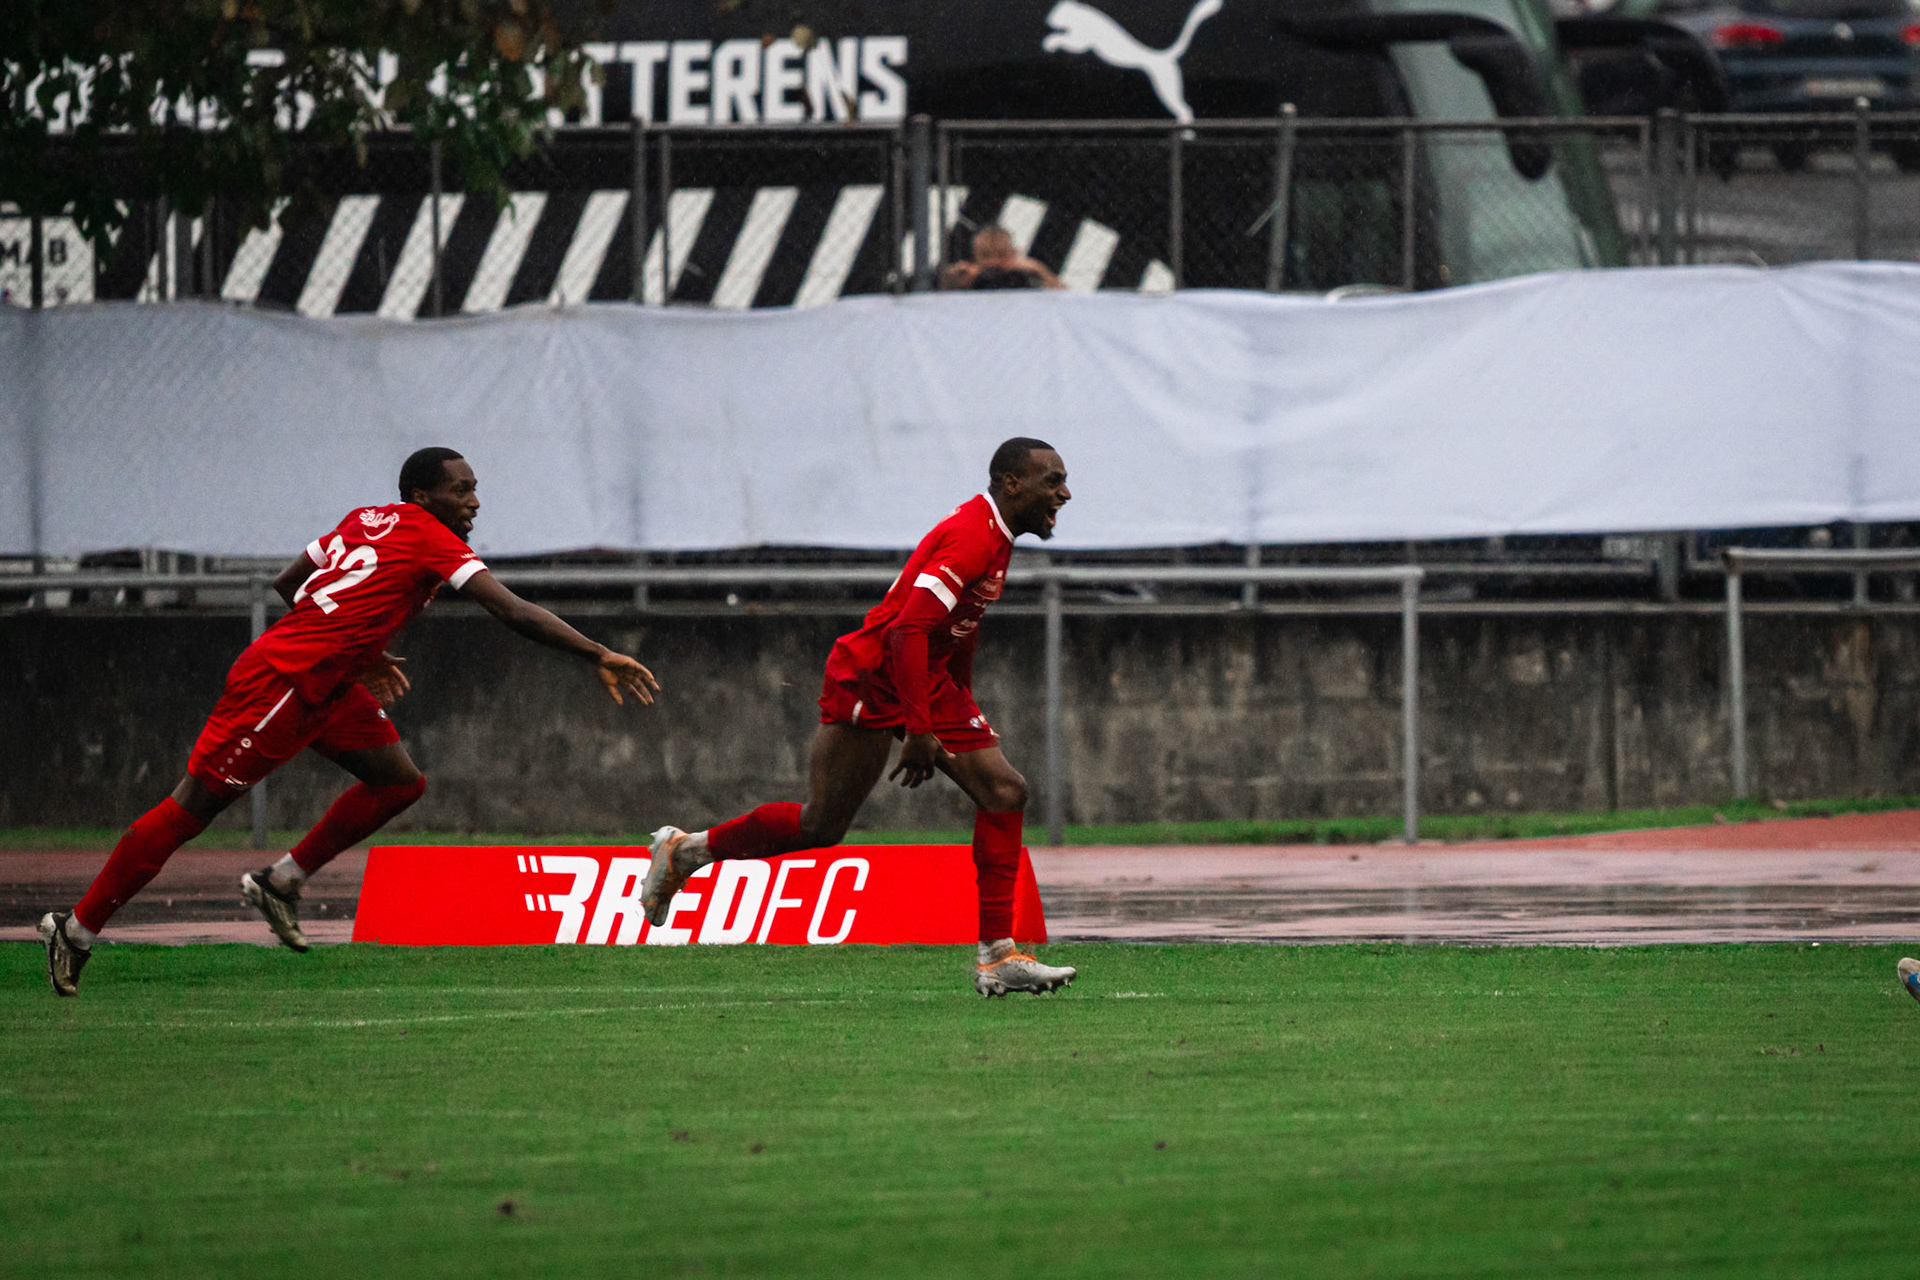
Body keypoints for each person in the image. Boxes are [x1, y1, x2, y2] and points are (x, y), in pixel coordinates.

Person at [37, 447, 660, 996]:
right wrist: (597, 652)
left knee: (398, 781)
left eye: (474, 489)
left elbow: (290, 582)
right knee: (191, 809)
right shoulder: (430, 535)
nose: (474, 501)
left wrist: (355, 648)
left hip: (328, 681)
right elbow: (511, 609)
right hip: (282, 683)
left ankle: (281, 881)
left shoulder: (364, 518)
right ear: (422, 495)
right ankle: (77, 928)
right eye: (462, 489)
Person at [640, 438, 1076, 997]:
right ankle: (685, 852)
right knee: (822, 825)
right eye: (1053, 481)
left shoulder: (996, 535)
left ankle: (996, 955)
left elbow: (959, 622)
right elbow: (906, 629)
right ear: (1011, 483)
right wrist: (920, 727)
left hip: (922, 675)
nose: (1064, 493)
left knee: (1004, 791)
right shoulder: (972, 535)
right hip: (873, 673)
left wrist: (956, 700)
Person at [939, 225, 1065, 292]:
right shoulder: (969, 274)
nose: (993, 262)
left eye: (1001, 255)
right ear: (975, 255)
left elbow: (1060, 289)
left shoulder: (1028, 268)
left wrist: (1038, 271)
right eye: (986, 255)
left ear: (1012, 253)